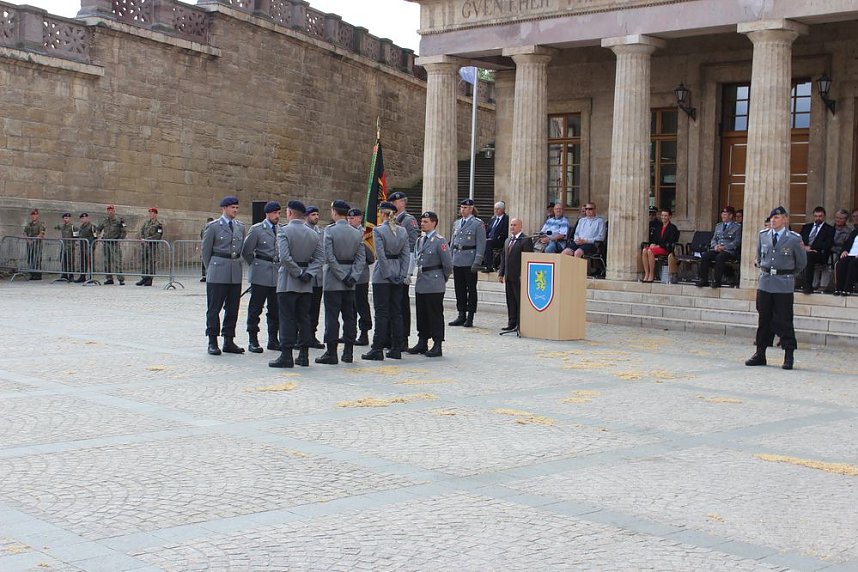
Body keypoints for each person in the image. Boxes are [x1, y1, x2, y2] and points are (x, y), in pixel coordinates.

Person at [746, 206, 807, 370]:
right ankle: (760, 353)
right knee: (764, 319)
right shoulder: (763, 235)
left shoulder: (794, 238)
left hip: (783, 284)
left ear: (785, 219)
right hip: (766, 282)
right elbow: (759, 256)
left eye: (777, 218)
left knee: (785, 319)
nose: (773, 220)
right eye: (772, 218)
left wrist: (786, 274)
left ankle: (788, 355)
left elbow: (801, 263)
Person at [269, 201, 325, 368]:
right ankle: (304, 354)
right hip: (306, 283)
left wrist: (298, 273)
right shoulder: (313, 234)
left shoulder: (284, 231)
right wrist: (308, 273)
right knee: (304, 318)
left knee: (287, 317)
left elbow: (285, 257)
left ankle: (286, 355)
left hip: (288, 280)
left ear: (290, 213)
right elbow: (320, 258)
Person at [316, 200, 366, 365]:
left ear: (334, 212)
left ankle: (331, 352)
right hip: (350, 280)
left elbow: (329, 257)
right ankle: (348, 351)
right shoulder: (356, 232)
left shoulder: (329, 231)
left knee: (332, 317)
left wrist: (341, 275)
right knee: (349, 316)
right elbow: (361, 258)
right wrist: (353, 276)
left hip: (333, 280)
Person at [362, 202, 409, 361]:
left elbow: (380, 256)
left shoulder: (378, 230)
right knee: (396, 312)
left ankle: (377, 348)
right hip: (397, 273)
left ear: (382, 214)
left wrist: (388, 274)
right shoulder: (402, 231)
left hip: (383, 276)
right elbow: (405, 255)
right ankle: (396, 347)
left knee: (381, 313)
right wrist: (401, 274)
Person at [201, 196, 246, 356]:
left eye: (236, 207)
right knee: (214, 308)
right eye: (232, 207)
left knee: (232, 308)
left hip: (234, 271)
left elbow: (241, 249)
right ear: (224, 208)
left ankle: (229, 339)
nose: (235, 210)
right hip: (218, 269)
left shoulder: (240, 227)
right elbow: (206, 252)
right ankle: (212, 340)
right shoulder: (213, 226)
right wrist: (211, 268)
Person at [407, 211, 453, 357]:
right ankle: (422, 342)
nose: (422, 224)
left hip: (434, 281)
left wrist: (441, 278)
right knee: (422, 314)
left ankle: (437, 343)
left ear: (434, 223)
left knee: (435, 314)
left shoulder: (440, 241)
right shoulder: (420, 240)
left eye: (426, 221)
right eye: (422, 221)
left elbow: (447, 264)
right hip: (422, 280)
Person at [241, 201, 281, 353]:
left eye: (278, 213)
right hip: (260, 272)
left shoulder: (281, 229)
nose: (277, 216)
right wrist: (256, 264)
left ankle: (273, 339)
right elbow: (247, 251)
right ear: (267, 214)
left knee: (275, 309)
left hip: (275, 273)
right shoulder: (257, 229)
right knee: (255, 308)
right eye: (274, 213)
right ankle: (253, 340)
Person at [448, 198, 486, 328]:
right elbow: (453, 242)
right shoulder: (457, 223)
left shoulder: (477, 223)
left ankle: (470, 316)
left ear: (471, 209)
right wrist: (450, 258)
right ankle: (461, 314)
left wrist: (477, 261)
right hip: (458, 259)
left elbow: (481, 244)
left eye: (465, 208)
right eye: (461, 207)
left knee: (471, 289)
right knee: (459, 289)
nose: (462, 210)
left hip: (470, 259)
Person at [389, 191, 419, 351]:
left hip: (402, 268)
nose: (392, 205)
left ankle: (403, 338)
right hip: (391, 268)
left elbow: (412, 248)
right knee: (391, 304)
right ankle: (391, 336)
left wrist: (408, 272)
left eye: (395, 202)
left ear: (402, 203)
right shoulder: (390, 220)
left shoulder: (408, 221)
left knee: (401, 305)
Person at [497, 217, 533, 332]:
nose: (512, 227)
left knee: (519, 300)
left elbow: (528, 258)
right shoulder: (508, 240)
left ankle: (520, 323)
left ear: (520, 227)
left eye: (514, 225)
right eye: (511, 225)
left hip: (519, 276)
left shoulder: (525, 240)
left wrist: (525, 274)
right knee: (510, 300)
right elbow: (504, 258)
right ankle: (511, 322)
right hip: (509, 275)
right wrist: (501, 273)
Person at [696, 206, 741, 288]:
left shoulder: (737, 227)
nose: (723, 216)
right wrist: (715, 246)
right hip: (717, 249)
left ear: (731, 216)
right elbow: (713, 239)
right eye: (722, 214)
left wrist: (724, 247)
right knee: (705, 255)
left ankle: (717, 281)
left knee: (720, 257)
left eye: (725, 214)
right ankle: (703, 279)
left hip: (728, 251)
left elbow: (737, 241)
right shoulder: (718, 226)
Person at [347, 208, 374, 345]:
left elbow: (371, 257)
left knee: (361, 304)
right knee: (349, 306)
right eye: (349, 218)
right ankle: (349, 332)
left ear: (359, 219)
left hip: (361, 275)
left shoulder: (366, 234)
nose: (350, 220)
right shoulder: (346, 232)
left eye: (353, 218)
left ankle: (364, 333)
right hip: (348, 274)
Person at [798, 206, 834, 295]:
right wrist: (805, 248)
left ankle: (808, 286)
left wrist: (812, 248)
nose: (818, 218)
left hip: (819, 253)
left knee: (809, 256)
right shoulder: (806, 227)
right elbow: (799, 240)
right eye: (816, 216)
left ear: (824, 216)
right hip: (804, 251)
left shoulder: (829, 229)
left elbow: (827, 244)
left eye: (820, 216)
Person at [305, 205, 326, 350]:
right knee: (303, 308)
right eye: (313, 215)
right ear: (306, 216)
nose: (316, 217)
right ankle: (302, 335)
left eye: (317, 214)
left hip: (318, 276)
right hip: (306, 274)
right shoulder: (303, 231)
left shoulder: (322, 232)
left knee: (315, 308)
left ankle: (312, 334)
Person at [641, 208, 679, 283]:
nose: (663, 217)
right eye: (662, 215)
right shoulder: (659, 227)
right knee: (644, 250)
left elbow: (671, 242)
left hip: (666, 248)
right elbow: (655, 239)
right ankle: (647, 274)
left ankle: (652, 274)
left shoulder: (672, 228)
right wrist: (653, 244)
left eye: (665, 216)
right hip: (657, 248)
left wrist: (658, 246)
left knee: (649, 251)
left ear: (669, 217)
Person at [96, 204, 128, 285]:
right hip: (106, 243)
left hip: (115, 243)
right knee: (107, 261)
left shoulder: (119, 220)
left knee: (117, 261)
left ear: (114, 211)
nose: (110, 212)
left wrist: (120, 239)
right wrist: (98, 236)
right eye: (108, 210)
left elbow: (124, 230)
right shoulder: (105, 220)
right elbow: (98, 229)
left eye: (111, 210)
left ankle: (120, 279)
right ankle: (109, 278)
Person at [136, 207, 163, 286]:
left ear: (155, 214)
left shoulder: (158, 224)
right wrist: (142, 238)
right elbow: (142, 230)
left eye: (151, 213)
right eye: (149, 213)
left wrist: (147, 239)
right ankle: (144, 277)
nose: (150, 215)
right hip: (145, 246)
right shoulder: (146, 223)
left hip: (152, 246)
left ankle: (150, 279)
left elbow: (158, 235)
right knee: (144, 261)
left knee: (151, 262)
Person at [483, 201, 509, 273]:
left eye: (498, 209)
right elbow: (488, 230)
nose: (496, 210)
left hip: (500, 240)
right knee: (482, 241)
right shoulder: (493, 219)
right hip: (490, 239)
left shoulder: (506, 219)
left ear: (503, 209)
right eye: (495, 209)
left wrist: (494, 238)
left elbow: (504, 232)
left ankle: (489, 266)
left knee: (488, 242)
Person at [833, 225, 858, 296]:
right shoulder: (854, 232)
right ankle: (839, 288)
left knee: (852, 264)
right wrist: (844, 250)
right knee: (841, 263)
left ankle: (848, 289)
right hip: (850, 254)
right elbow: (846, 243)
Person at [23, 208, 46, 280]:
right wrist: (28, 240)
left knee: (37, 259)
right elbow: (24, 233)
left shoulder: (41, 224)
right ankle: (32, 274)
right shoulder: (29, 224)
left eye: (35, 214)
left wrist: (33, 240)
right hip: (29, 245)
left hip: (37, 245)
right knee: (30, 259)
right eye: (32, 214)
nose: (34, 216)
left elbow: (41, 234)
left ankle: (38, 275)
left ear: (38, 215)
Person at [75, 213, 96, 283]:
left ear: (88, 218)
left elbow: (95, 237)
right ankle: (82, 276)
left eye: (85, 218)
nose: (84, 219)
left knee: (90, 262)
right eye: (82, 218)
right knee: (82, 262)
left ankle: (91, 276)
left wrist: (93, 246)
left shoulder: (92, 226)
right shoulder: (81, 227)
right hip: (82, 246)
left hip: (89, 246)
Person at [57, 213, 78, 281]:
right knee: (63, 260)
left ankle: (71, 275)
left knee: (70, 261)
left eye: (67, 218)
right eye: (65, 218)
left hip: (70, 247)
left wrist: (74, 244)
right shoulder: (62, 226)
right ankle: (64, 274)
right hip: (63, 246)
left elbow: (76, 236)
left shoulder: (73, 227)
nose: (65, 219)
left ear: (69, 219)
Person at [199, 217, 214, 282]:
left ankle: (205, 276)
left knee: (204, 261)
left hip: (206, 247)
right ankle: (205, 276)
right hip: (209, 247)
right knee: (205, 261)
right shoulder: (207, 228)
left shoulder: (204, 228)